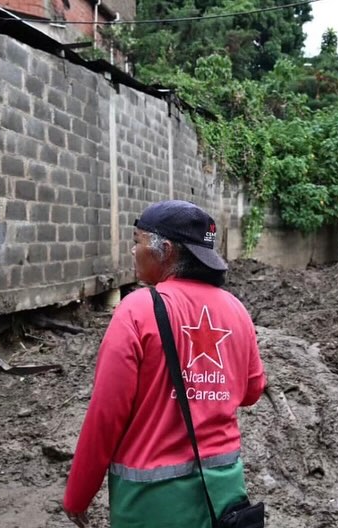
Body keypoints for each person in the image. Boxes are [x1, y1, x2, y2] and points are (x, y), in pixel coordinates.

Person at [63, 200, 266, 528]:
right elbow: (252, 391)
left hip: (150, 504)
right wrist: (209, 387)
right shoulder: (236, 310)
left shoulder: (137, 310)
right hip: (224, 500)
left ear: (166, 250)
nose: (132, 250)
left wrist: (78, 495)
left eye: (137, 240)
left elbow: (106, 415)